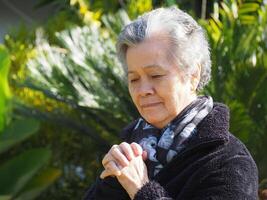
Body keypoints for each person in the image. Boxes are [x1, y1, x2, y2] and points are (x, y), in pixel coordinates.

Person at [83, 7, 258, 200]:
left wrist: (141, 189)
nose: (143, 90)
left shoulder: (230, 162)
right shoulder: (130, 150)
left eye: (156, 75)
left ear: (193, 74)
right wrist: (112, 183)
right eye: (134, 79)